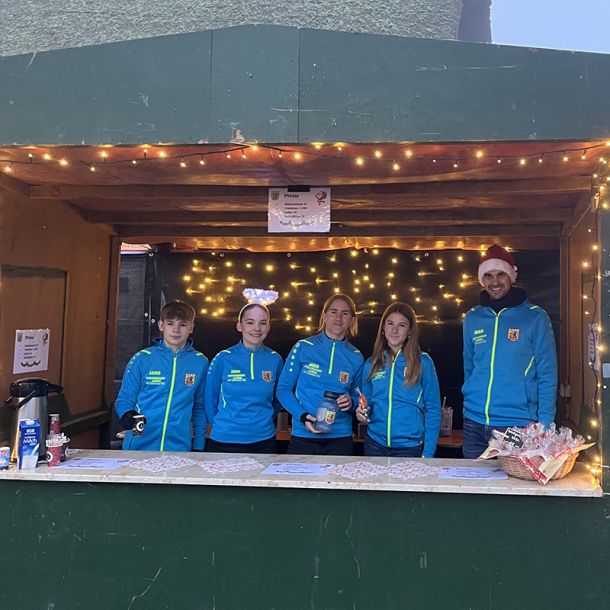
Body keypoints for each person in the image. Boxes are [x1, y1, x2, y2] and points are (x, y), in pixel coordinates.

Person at [462, 244, 558, 459]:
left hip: (517, 425)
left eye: (500, 274)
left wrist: (545, 425)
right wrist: (468, 405)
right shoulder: (473, 317)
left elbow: (547, 373)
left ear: (511, 276)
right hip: (474, 423)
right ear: (481, 279)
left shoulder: (535, 317)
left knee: (514, 481)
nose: (494, 282)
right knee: (472, 481)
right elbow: (469, 366)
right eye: (488, 276)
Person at [115, 300, 208, 451]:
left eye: (183, 324)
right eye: (170, 323)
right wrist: (127, 414)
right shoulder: (142, 359)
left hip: (179, 448)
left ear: (191, 327)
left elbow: (199, 408)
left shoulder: (200, 362)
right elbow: (124, 399)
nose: (176, 329)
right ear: (161, 325)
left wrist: (198, 446)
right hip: (139, 446)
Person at [277, 293, 364, 456]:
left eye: (345, 313)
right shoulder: (303, 347)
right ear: (324, 315)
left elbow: (358, 396)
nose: (338, 318)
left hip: (340, 438)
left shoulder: (356, 356)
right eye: (333, 312)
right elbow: (283, 389)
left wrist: (351, 402)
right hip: (303, 435)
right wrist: (302, 416)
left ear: (352, 320)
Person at [356, 302, 441, 458]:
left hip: (409, 448)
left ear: (410, 330)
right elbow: (366, 404)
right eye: (390, 324)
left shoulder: (423, 362)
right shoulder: (371, 363)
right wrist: (362, 413)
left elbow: (433, 409)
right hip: (375, 445)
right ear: (383, 328)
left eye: (401, 325)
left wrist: (428, 453)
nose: (394, 330)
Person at [204, 302, 283, 454]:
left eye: (262, 323)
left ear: (268, 327)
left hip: (264, 440)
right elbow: (209, 397)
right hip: (225, 440)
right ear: (239, 326)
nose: (257, 328)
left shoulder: (275, 359)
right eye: (250, 322)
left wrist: (263, 421)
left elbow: (278, 398)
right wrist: (222, 426)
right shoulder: (223, 358)